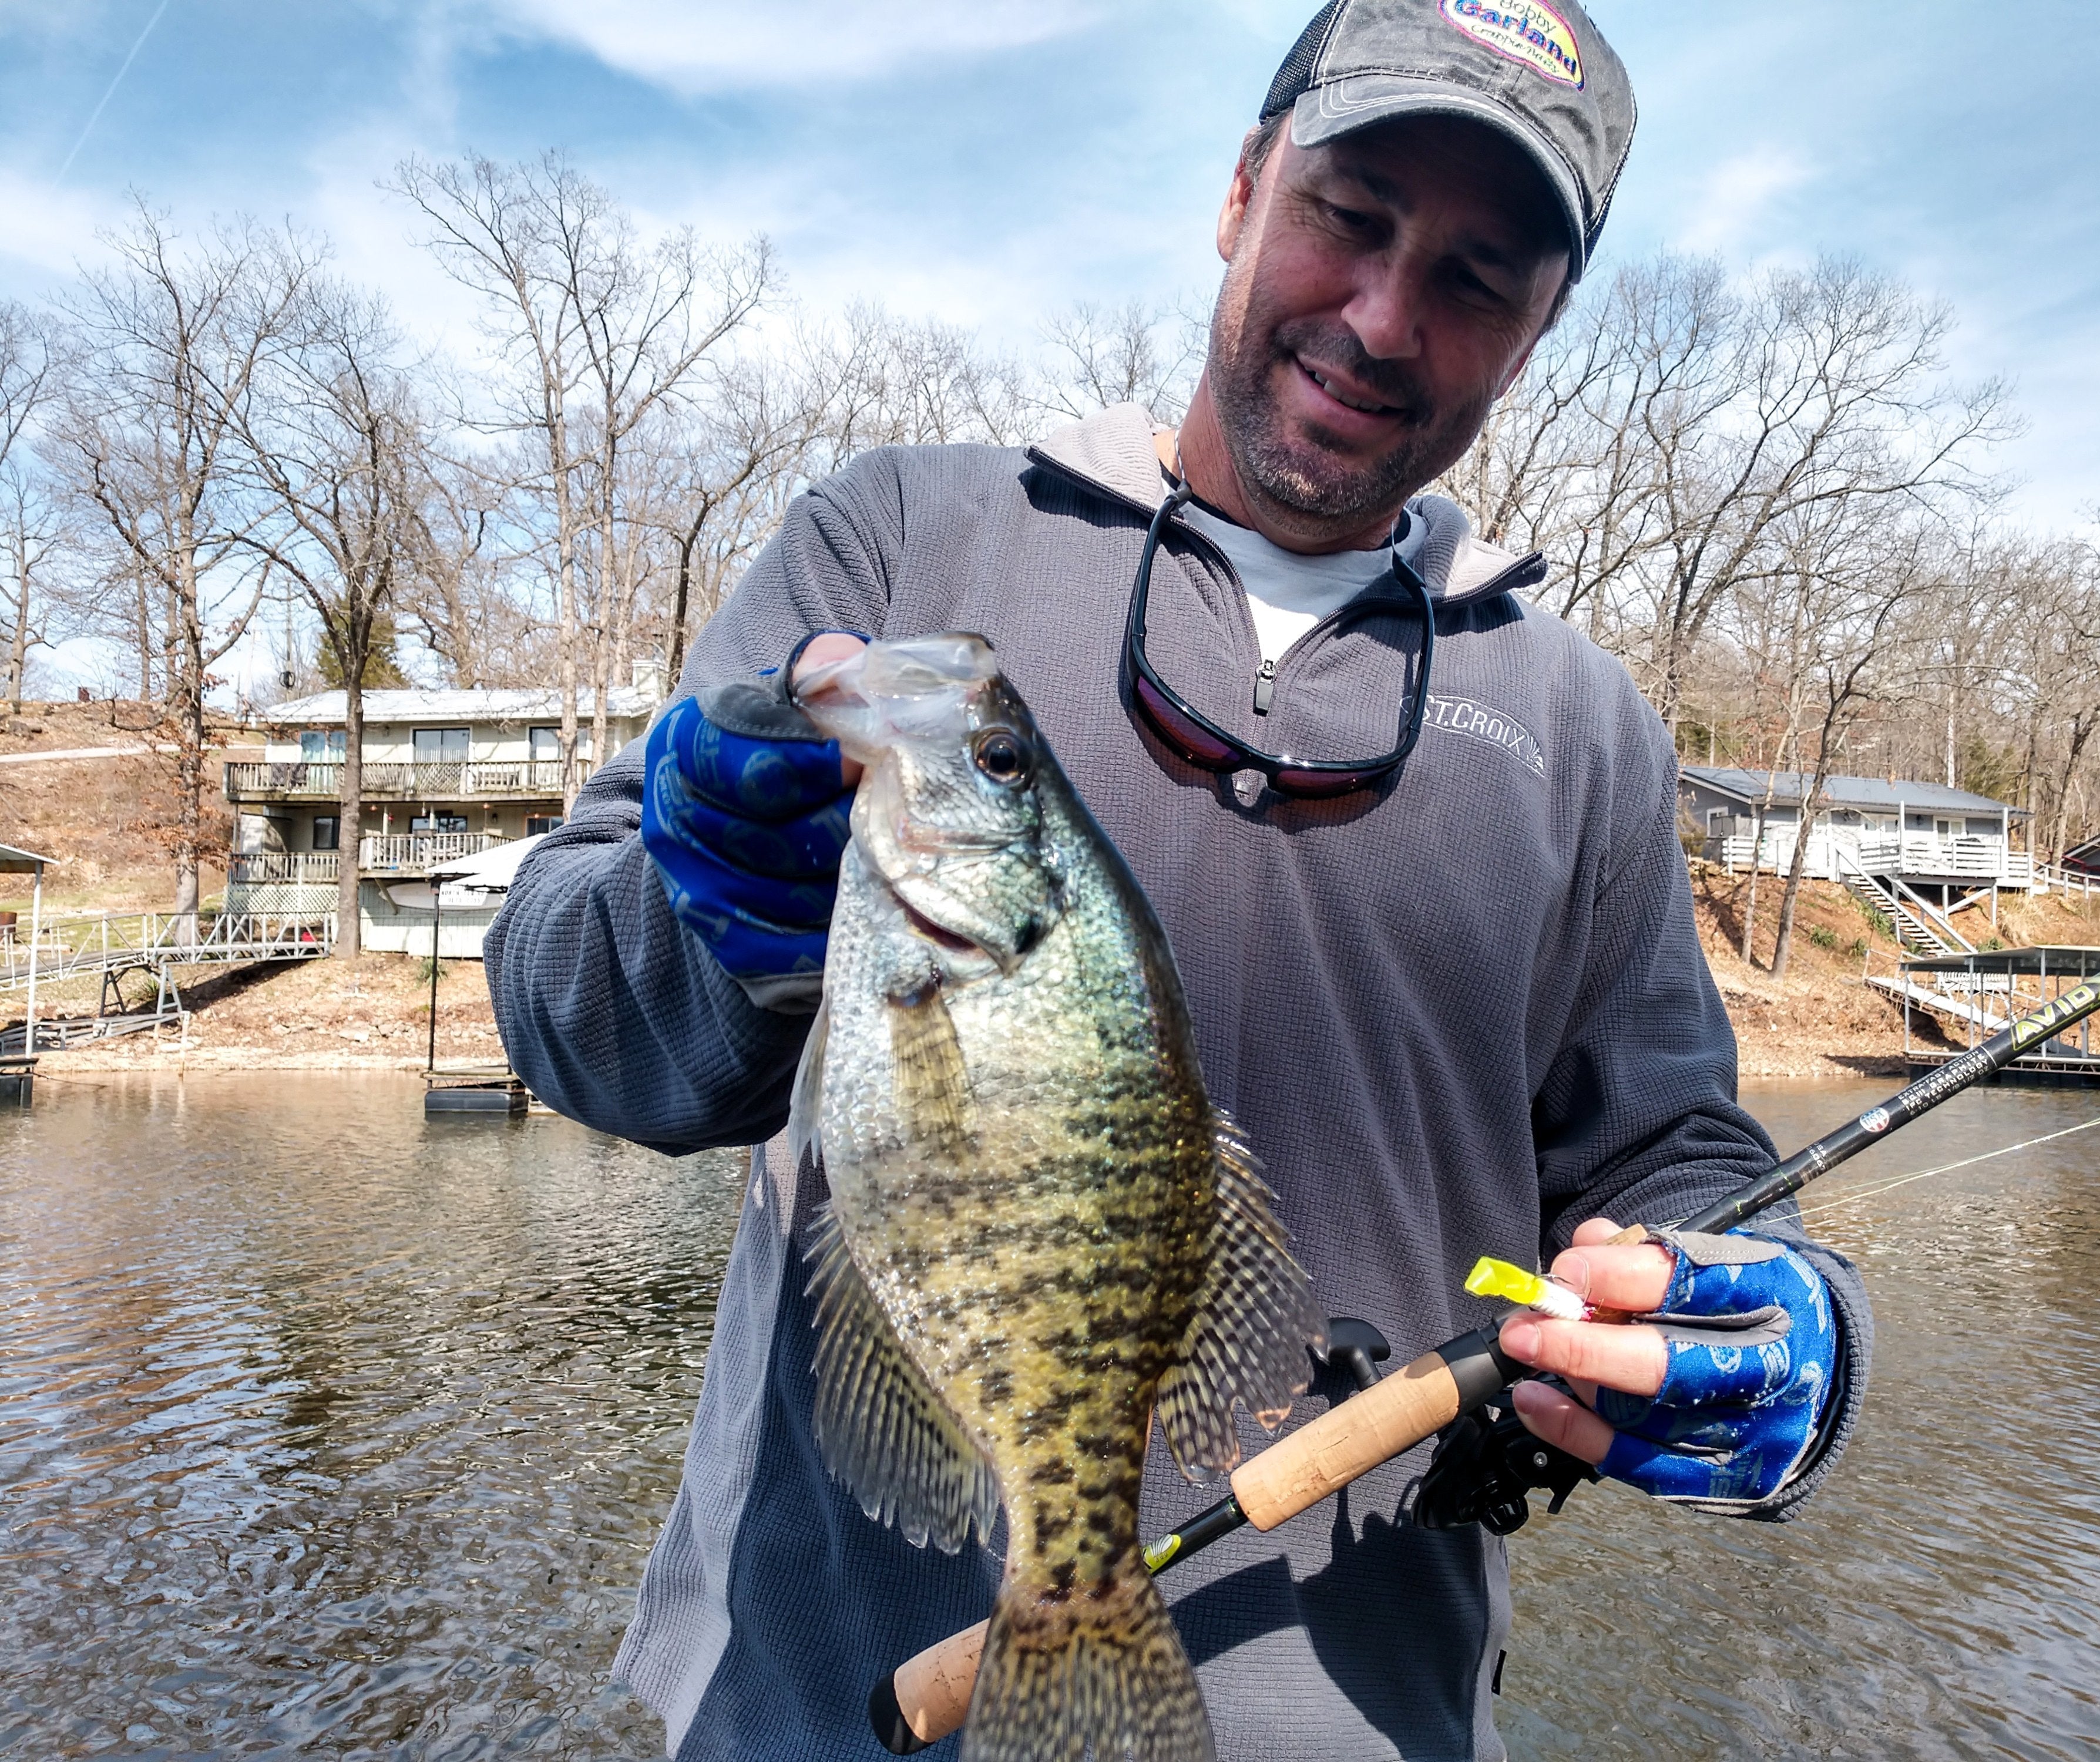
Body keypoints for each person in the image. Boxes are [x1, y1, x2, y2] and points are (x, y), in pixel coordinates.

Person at [486, 2, 1872, 1756]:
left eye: (1475, 275)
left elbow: (1676, 1155)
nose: (1382, 316)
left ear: (1533, 339)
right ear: (1240, 191)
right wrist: (699, 930)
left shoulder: (1588, 726)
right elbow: (567, 1015)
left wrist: (1785, 1326)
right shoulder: (907, 538)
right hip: (823, 1704)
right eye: (1350, 215)